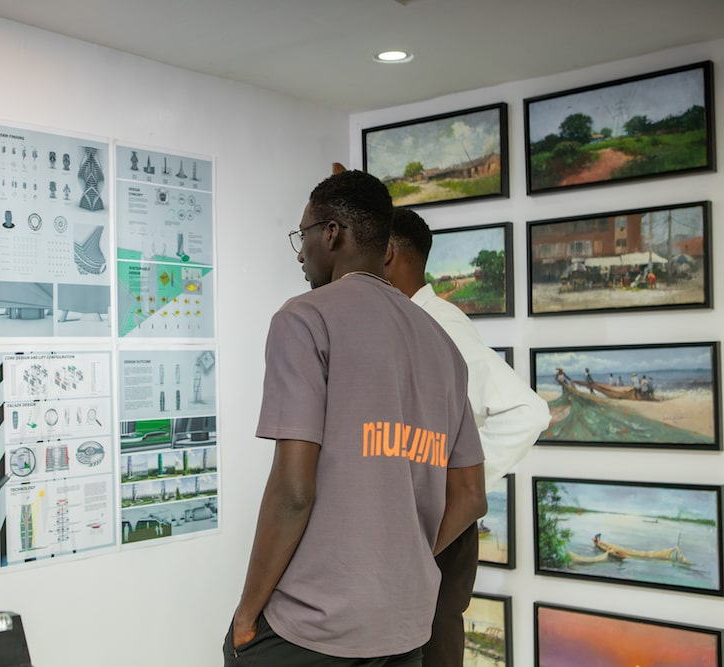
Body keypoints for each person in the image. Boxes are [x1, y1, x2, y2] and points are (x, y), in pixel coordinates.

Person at [226, 171, 486, 666]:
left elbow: (293, 492)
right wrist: (401, 561)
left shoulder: (304, 318)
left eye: (302, 236)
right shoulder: (443, 344)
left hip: (315, 625)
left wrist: (246, 613)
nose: (300, 255)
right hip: (406, 628)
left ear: (331, 233)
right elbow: (471, 495)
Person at [383, 208, 551, 667]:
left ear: (388, 252)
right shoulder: (406, 320)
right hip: (423, 521)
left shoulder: (439, 324)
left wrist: (457, 482)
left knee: (434, 647)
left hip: (439, 527)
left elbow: (529, 412)